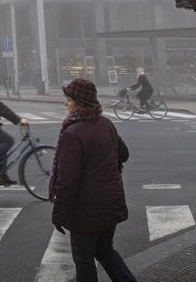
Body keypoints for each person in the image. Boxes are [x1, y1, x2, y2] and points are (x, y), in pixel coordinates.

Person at [50, 78, 136, 282]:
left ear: (79, 103)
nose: (65, 103)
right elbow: (123, 154)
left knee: (83, 258)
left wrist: (59, 213)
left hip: (85, 210)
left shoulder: (71, 134)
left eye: (68, 99)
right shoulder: (106, 124)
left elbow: (67, 182)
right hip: (110, 203)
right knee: (105, 250)